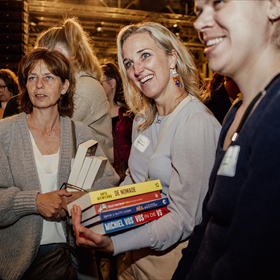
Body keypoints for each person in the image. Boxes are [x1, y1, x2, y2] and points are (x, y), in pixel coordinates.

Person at [71, 22, 221, 280]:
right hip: (132, 259)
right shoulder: (142, 120)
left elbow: (184, 219)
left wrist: (114, 244)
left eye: (145, 55)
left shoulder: (196, 122)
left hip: (173, 265)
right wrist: (96, 209)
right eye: (128, 63)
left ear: (172, 58)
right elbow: (135, 181)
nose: (137, 69)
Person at [172, 1, 280, 279]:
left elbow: (249, 259)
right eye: (198, 10)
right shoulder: (236, 112)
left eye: (218, 2)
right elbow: (207, 227)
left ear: (272, 6)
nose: (198, 23)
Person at [0, 48, 119, 280]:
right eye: (32, 78)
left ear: (64, 86)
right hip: (20, 264)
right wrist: (34, 201)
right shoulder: (5, 133)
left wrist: (82, 199)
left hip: (76, 259)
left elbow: (109, 184)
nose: (39, 85)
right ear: (25, 86)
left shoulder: (79, 133)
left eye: (49, 77)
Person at [36, 17, 114, 164]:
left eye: (41, 56)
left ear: (57, 54)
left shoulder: (83, 87)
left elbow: (47, 130)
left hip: (91, 178)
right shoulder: (75, 83)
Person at [101, 63, 133, 181]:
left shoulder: (129, 112)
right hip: (105, 171)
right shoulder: (96, 112)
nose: (98, 86)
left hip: (126, 171)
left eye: (101, 82)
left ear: (112, 83)